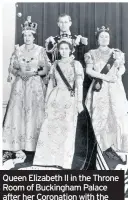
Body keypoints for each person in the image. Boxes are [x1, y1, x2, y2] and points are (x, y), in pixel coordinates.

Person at [25, 38, 96, 170]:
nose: (64, 51)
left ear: (71, 50)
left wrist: (79, 102)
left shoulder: (76, 64)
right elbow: (51, 84)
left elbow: (79, 85)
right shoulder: (55, 64)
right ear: (58, 50)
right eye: (61, 49)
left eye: (66, 49)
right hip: (55, 98)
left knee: (67, 129)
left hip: (70, 99)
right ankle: (46, 159)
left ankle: (63, 161)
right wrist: (46, 101)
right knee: (50, 128)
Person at [85, 26, 128, 168]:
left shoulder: (117, 53)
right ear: (97, 39)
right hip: (99, 88)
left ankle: (123, 153)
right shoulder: (91, 54)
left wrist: (118, 73)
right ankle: (105, 154)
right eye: (101, 36)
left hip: (115, 88)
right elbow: (89, 70)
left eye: (106, 36)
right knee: (101, 119)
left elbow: (122, 68)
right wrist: (104, 76)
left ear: (109, 38)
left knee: (120, 118)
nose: (104, 39)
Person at [3, 16, 51, 164]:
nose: (27, 38)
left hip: (35, 86)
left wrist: (34, 73)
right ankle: (16, 146)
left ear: (34, 37)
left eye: (30, 35)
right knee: (18, 113)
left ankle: (34, 148)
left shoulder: (40, 50)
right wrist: (19, 73)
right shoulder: (18, 50)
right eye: (25, 35)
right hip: (20, 86)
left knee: (35, 113)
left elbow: (47, 68)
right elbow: (12, 67)